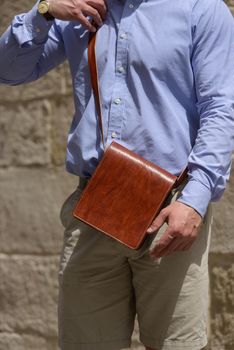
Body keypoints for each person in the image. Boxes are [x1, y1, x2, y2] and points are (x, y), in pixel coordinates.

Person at [0, 0, 234, 349]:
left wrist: (195, 200)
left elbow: (221, 107)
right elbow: (9, 71)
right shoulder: (77, 9)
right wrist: (44, 11)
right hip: (95, 207)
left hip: (172, 210)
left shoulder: (201, 8)